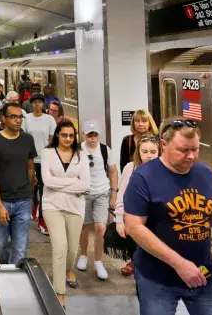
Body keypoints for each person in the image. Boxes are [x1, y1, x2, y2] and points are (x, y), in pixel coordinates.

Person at [124, 116, 212, 315]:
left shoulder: (204, 173)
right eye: (183, 150)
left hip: (204, 275)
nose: (191, 156)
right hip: (157, 280)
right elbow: (134, 227)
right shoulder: (143, 177)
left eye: (195, 149)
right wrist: (179, 264)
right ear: (163, 145)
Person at [40, 120, 90, 309]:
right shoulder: (47, 153)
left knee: (71, 251)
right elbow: (47, 181)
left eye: (71, 135)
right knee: (60, 247)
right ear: (57, 135)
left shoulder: (81, 155)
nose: (67, 139)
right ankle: (60, 293)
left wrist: (58, 181)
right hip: (52, 204)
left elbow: (86, 185)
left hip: (75, 207)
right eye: (64, 135)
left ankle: (67, 270)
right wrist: (73, 183)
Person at [0, 103, 37, 264]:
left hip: (23, 201)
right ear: (3, 119)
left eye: (20, 117)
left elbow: (30, 168)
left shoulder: (27, 139)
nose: (18, 120)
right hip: (2, 201)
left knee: (20, 248)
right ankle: (6, 264)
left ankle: (14, 279)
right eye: (13, 117)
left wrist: (30, 194)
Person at [114, 134, 161, 276]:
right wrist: (119, 220)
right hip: (137, 220)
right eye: (145, 152)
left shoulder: (164, 170)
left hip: (159, 221)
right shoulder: (130, 168)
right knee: (142, 256)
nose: (149, 156)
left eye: (153, 152)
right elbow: (122, 194)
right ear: (138, 152)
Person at [77, 120, 119, 280]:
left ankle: (98, 261)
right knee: (84, 226)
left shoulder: (104, 149)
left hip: (102, 192)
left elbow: (113, 171)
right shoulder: (78, 150)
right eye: (89, 135)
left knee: (101, 227)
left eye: (95, 135)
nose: (92, 138)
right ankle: (83, 255)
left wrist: (114, 194)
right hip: (84, 193)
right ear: (84, 135)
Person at [22, 93, 56, 234]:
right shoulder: (26, 119)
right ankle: (33, 207)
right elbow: (23, 139)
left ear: (43, 104)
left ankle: (42, 221)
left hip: (44, 160)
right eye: (34, 102)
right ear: (31, 104)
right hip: (30, 160)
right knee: (31, 189)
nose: (37, 104)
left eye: (39, 102)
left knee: (44, 191)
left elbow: (52, 140)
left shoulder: (49, 119)